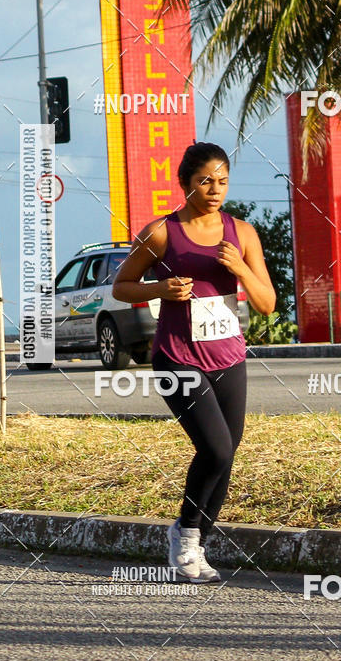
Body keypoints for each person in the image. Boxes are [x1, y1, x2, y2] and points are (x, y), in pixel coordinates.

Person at [112, 142, 276, 582]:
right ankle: (185, 536)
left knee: (226, 455)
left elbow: (266, 304)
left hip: (229, 358)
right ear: (186, 183)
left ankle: (196, 544)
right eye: (206, 181)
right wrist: (159, 290)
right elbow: (121, 286)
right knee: (216, 448)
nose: (215, 189)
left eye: (222, 181)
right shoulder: (162, 233)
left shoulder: (242, 233)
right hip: (176, 358)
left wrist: (241, 269)